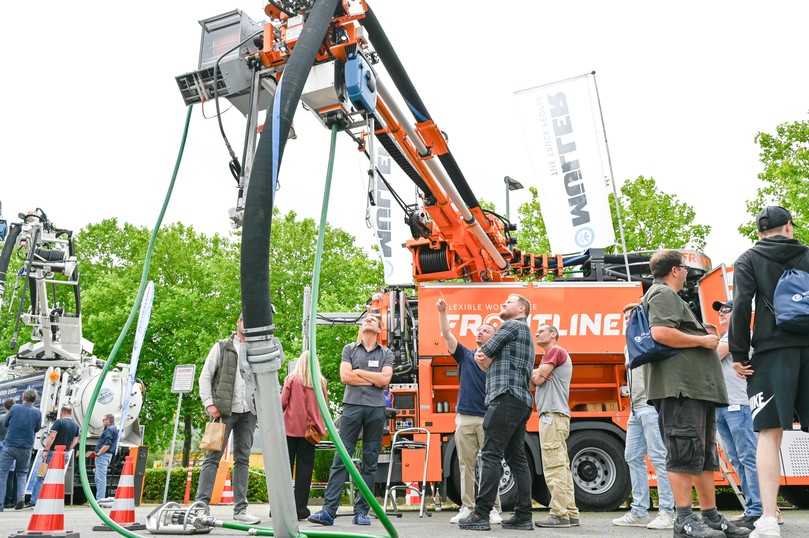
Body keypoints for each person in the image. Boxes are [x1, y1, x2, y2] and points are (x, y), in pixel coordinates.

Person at [643, 250, 748, 538]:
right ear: (675, 270)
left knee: (702, 457)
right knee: (682, 454)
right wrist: (703, 340)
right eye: (685, 268)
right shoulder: (662, 294)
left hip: (695, 390)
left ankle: (710, 516)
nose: (688, 273)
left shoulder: (672, 297)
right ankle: (684, 520)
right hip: (680, 390)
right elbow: (661, 333)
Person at [729, 206, 809, 538]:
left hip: (771, 352)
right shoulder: (806, 254)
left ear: (760, 232)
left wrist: (738, 352)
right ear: (788, 227)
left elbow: (741, 305)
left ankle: (768, 518)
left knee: (768, 434)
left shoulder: (747, 259)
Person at [459, 294, 534, 532]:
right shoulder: (526, 334)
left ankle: (481, 514)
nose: (502, 304)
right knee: (516, 459)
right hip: (521, 401)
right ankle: (523, 516)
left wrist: (485, 357)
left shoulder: (510, 326)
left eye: (508, 302)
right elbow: (486, 357)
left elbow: (482, 353)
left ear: (521, 308)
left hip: (504, 398)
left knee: (490, 454)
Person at [309, 315, 393, 527]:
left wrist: (360, 372)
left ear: (379, 328)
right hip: (352, 408)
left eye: (374, 319)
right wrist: (372, 378)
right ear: (361, 327)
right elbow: (345, 377)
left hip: (376, 411)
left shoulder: (386, 353)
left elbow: (384, 380)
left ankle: (362, 512)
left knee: (370, 462)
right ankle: (328, 512)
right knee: (341, 458)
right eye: (366, 319)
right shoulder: (349, 349)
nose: (369, 320)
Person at [435, 297, 502, 525]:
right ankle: (467, 507)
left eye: (486, 330)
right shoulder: (465, 355)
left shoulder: (498, 361)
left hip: (489, 417)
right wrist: (442, 312)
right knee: (466, 464)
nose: (481, 332)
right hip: (465, 417)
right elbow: (446, 335)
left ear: (495, 338)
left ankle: (492, 508)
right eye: (480, 329)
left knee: (490, 463)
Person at [613, 303, 675, 530]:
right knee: (632, 456)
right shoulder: (627, 345)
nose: (628, 320)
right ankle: (639, 511)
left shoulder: (649, 339)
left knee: (659, 458)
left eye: (631, 316)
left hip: (650, 405)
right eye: (625, 317)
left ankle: (667, 512)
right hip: (635, 408)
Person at [196, 315, 262, 524]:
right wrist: (209, 403)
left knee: (242, 459)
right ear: (237, 322)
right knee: (211, 458)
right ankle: (201, 506)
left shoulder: (255, 350)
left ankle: (240, 510)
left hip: (248, 413)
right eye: (243, 319)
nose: (246, 322)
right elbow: (205, 376)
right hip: (223, 412)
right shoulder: (222, 347)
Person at [712, 300, 762, 530]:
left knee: (748, 458)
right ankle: (753, 508)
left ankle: (758, 511)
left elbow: (713, 357)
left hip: (738, 405)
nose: (721, 314)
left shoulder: (738, 334)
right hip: (724, 405)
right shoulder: (726, 336)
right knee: (737, 459)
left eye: (726, 311)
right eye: (719, 311)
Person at [531, 324, 580, 528]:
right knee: (562, 466)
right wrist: (537, 375)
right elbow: (535, 381)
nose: (536, 333)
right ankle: (570, 512)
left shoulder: (555, 351)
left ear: (553, 334)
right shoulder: (550, 356)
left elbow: (537, 380)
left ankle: (559, 514)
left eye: (541, 330)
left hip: (551, 416)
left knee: (554, 466)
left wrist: (536, 374)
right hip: (556, 416)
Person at [282, 351, 328, 521]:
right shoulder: (321, 383)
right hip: (311, 433)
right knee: (305, 472)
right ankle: (300, 508)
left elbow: (282, 403)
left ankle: (280, 508)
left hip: (289, 430)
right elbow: (324, 408)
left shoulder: (292, 379)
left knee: (285, 470)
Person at [0, 389, 41, 511]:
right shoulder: (37, 412)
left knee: (2, 473)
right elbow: (37, 429)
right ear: (35, 399)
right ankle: (20, 499)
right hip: (26, 447)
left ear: (23, 397)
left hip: (10, 445)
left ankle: (0, 503)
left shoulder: (15, 408)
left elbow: (6, 423)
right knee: (22, 473)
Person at [30, 405, 80, 505]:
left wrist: (45, 450)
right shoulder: (76, 426)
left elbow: (52, 436)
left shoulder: (59, 422)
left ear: (62, 412)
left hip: (52, 452)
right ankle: (51, 501)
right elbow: (76, 440)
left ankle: (35, 500)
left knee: (41, 476)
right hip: (64, 453)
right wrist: (69, 448)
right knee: (57, 477)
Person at [89, 413, 118, 502]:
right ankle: (100, 499)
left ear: (109, 421)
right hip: (106, 455)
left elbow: (107, 444)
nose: (102, 421)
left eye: (104, 420)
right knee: (100, 477)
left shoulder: (109, 430)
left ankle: (99, 500)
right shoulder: (113, 429)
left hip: (103, 456)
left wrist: (98, 454)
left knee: (100, 478)